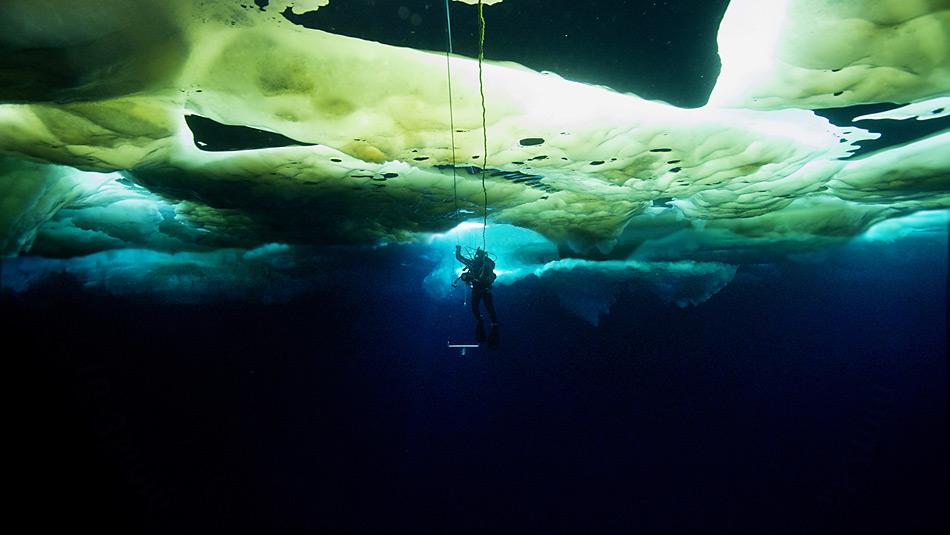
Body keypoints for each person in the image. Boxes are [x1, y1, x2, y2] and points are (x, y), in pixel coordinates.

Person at [455, 245, 498, 342]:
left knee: (488, 307)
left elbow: (492, 276)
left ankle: (493, 323)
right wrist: (458, 250)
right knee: (476, 308)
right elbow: (460, 258)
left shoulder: (487, 265)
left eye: (479, 255)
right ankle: (482, 321)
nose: (477, 257)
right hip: (477, 289)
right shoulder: (473, 263)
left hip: (485, 289)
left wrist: (484, 280)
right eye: (477, 255)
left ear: (483, 256)